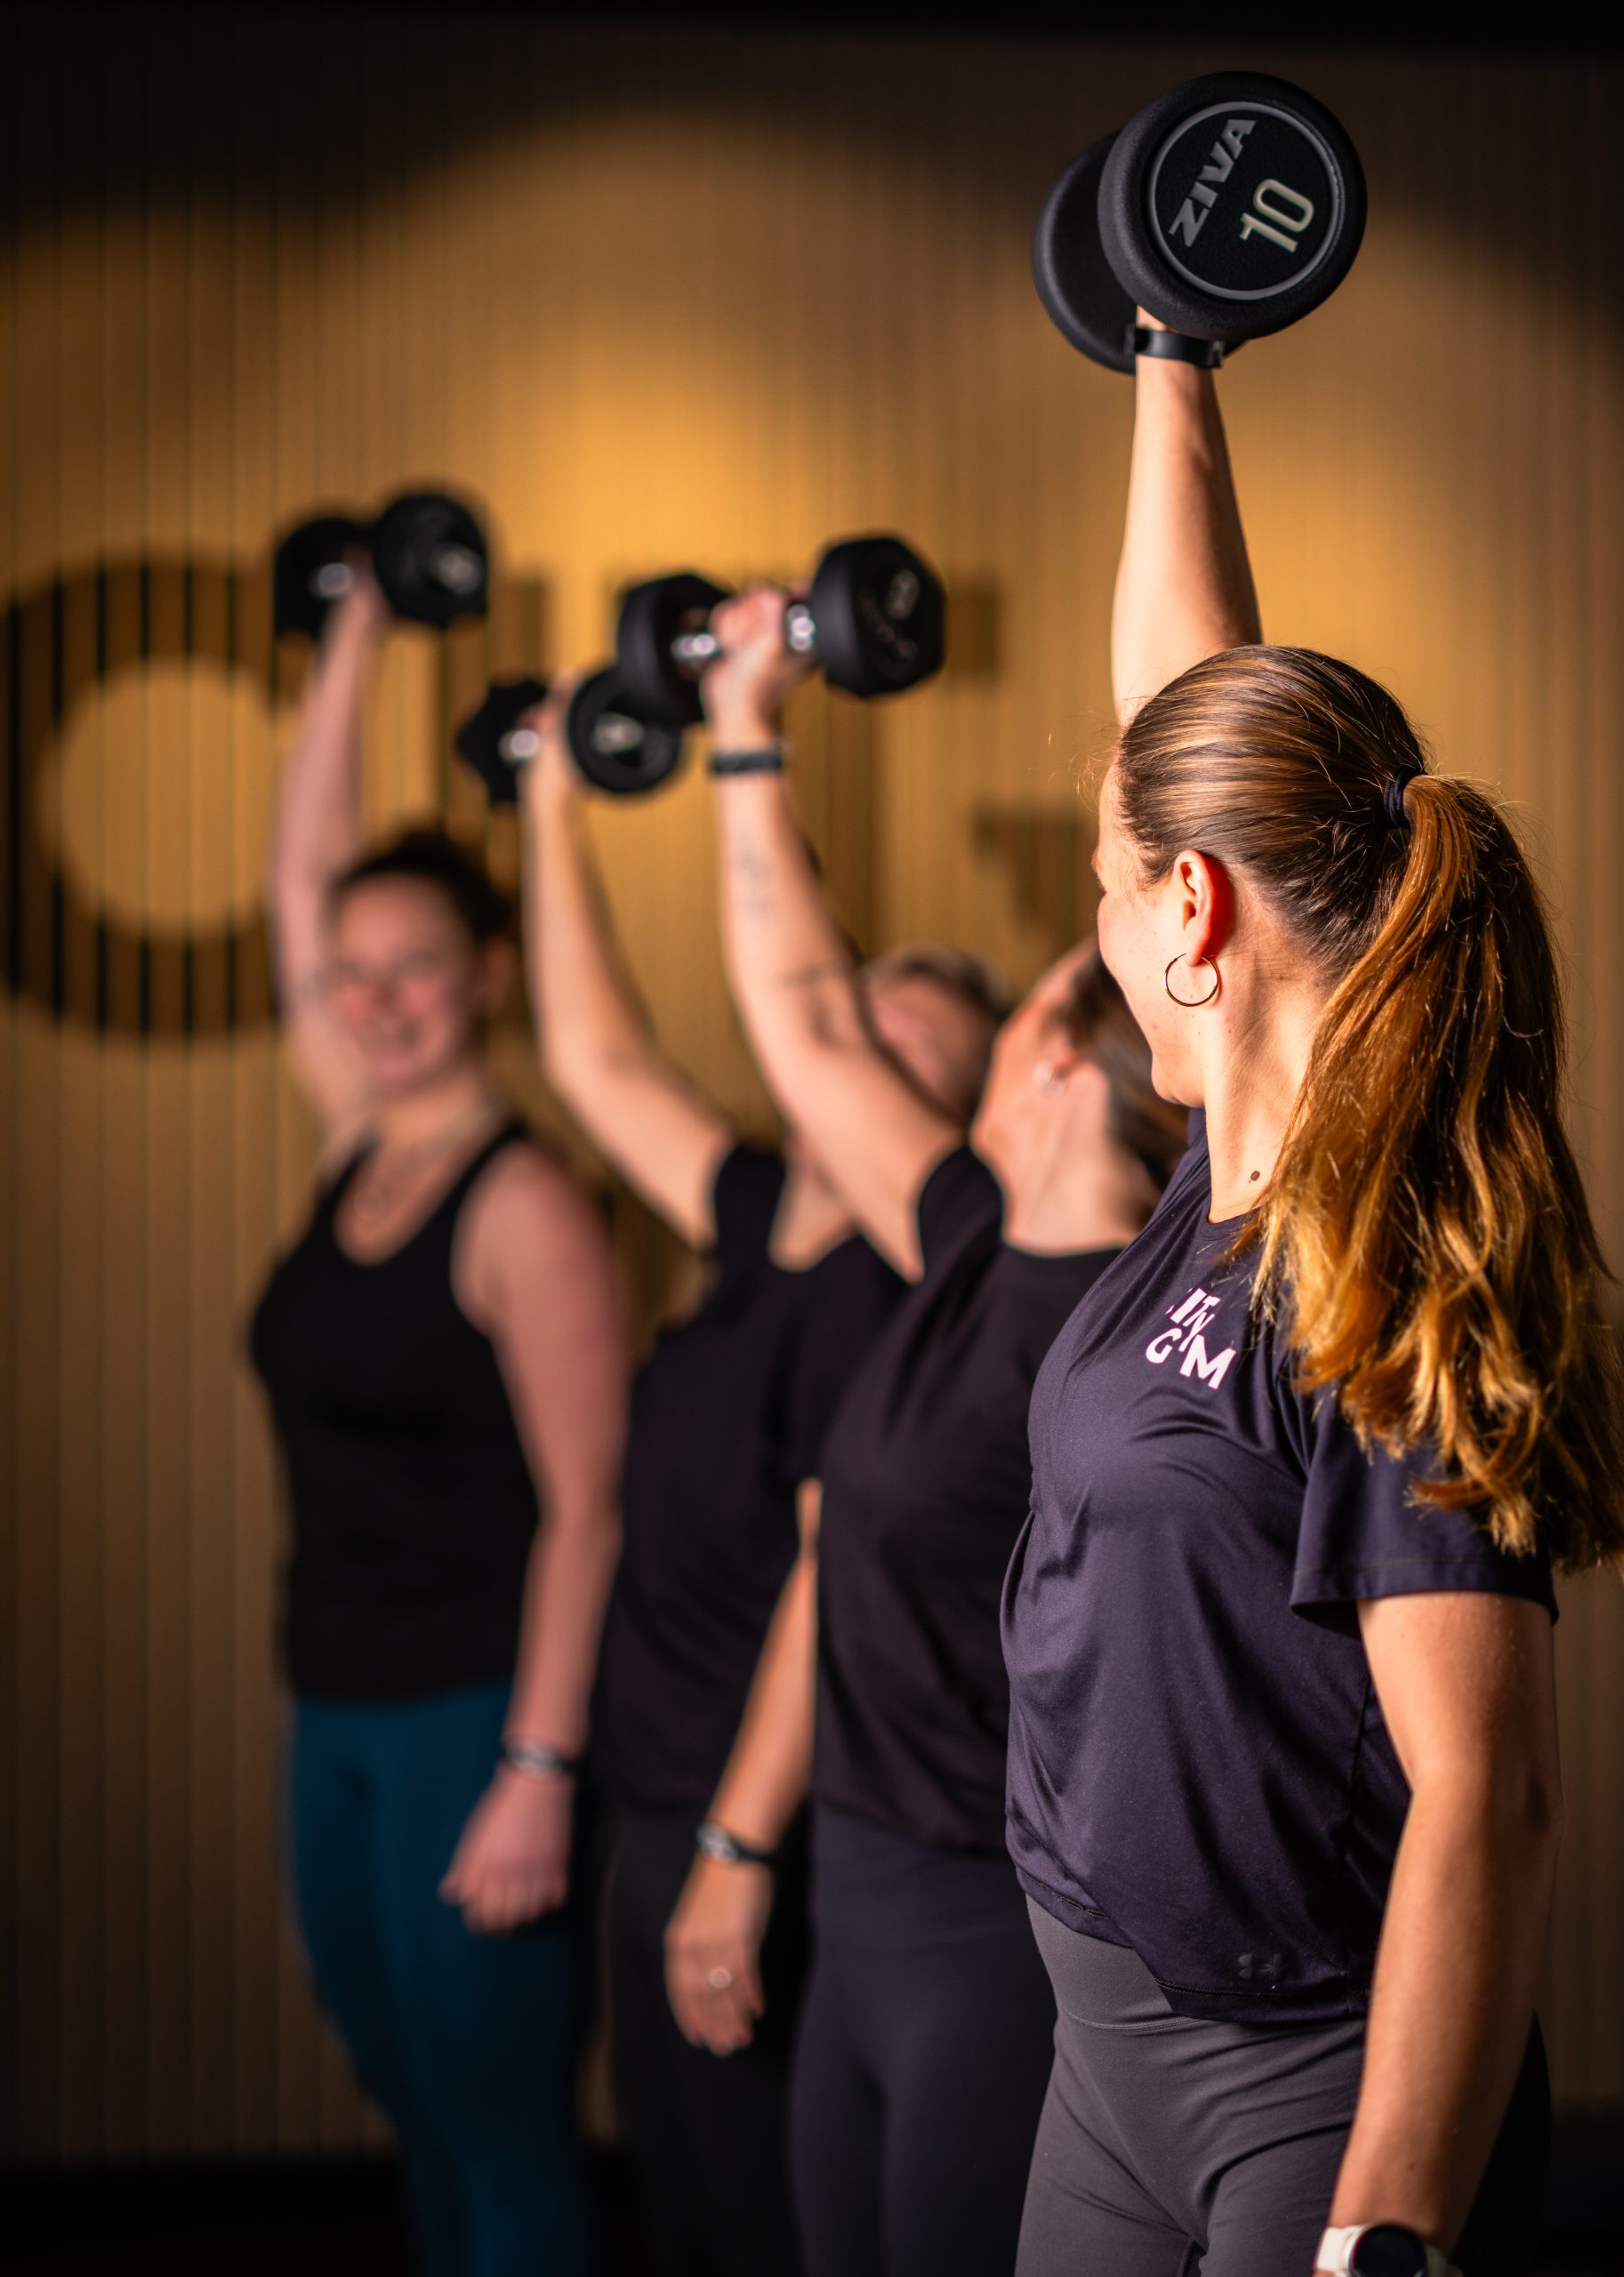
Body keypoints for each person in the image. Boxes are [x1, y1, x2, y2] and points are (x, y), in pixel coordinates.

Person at [999, 326, 1624, 2277]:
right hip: (1102, 2045)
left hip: (1309, 2089)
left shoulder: (1388, 1273)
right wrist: (1170, 352)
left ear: (1192, 914)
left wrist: (1384, 2225)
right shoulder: (1230, 1174)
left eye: (1106, 886)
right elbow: (1173, 705)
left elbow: (1492, 1789)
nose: (1095, 928)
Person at [656, 604, 1188, 2277]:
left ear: (1047, 1060)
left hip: (990, 1927)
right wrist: (746, 726)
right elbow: (805, 1020)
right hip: (866, 1890)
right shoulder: (970, 1232)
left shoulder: (1120, 1340)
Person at [513, 680, 1006, 2277]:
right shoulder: (747, 1211)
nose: (853, 1061)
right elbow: (592, 1059)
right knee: (684, 2195)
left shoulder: (891, 1292)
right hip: (653, 1790)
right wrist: (547, 798)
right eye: (862, 1021)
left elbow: (827, 1578)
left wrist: (733, 1850)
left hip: (765, 1815)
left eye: (911, 1059)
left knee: (765, 2229)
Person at [248, 569, 626, 2277]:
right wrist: (360, 633)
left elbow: (590, 1508)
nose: (375, 996)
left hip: (477, 1715)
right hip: (333, 1704)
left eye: (416, 968)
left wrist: (537, 1771)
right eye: (353, 974)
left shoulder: (519, 1201)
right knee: (406, 2098)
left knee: (501, 2128)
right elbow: (298, 886)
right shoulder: (357, 1141)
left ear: (485, 978)